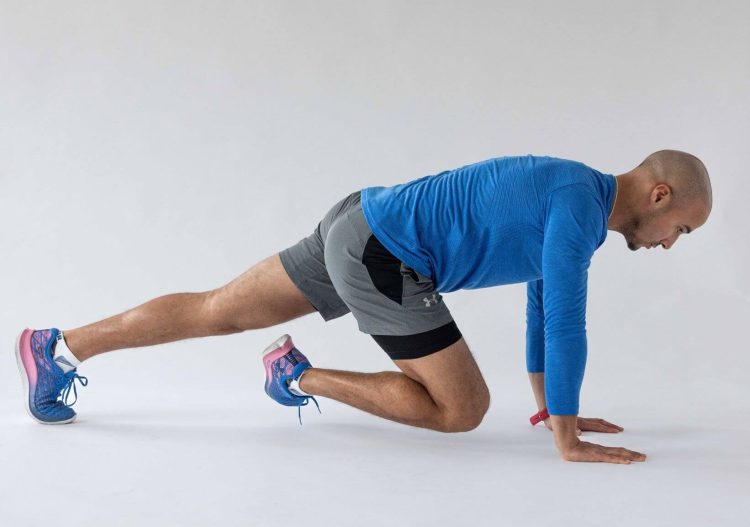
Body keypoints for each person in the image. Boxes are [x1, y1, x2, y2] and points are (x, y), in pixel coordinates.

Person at [15, 150, 712, 464]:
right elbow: (564, 321)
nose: (671, 244)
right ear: (658, 197)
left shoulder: (572, 196)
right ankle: (295, 375)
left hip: (361, 218)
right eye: (682, 228)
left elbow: (540, 307)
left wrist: (547, 409)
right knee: (461, 407)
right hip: (386, 253)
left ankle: (58, 346)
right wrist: (568, 437)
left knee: (217, 307)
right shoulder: (578, 211)